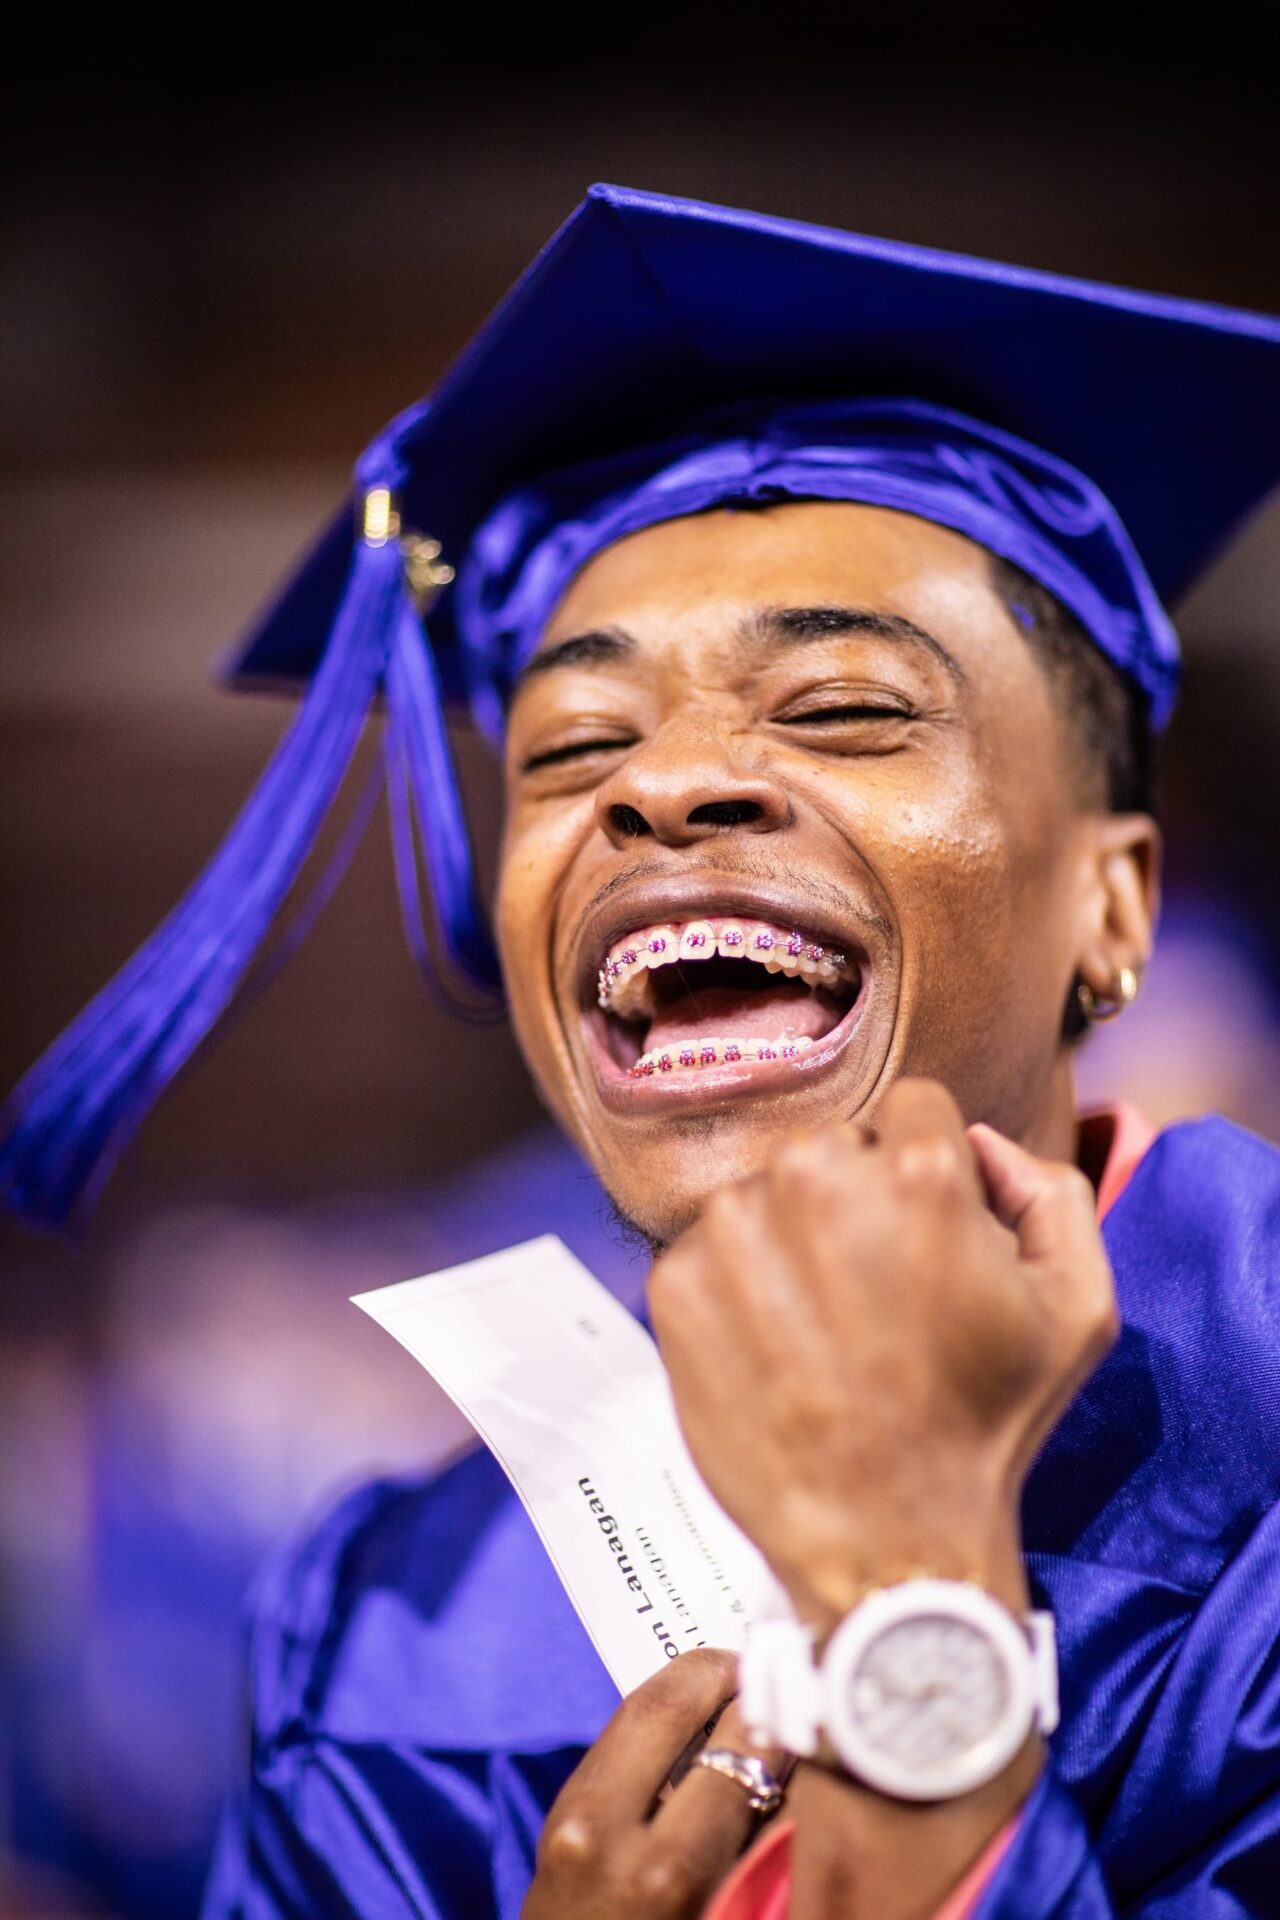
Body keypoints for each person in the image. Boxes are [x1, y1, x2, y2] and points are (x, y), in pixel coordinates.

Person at [5, 186, 1280, 1918]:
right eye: (569, 746)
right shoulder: (394, 1629)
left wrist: (913, 1623)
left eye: (843, 708)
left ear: (1113, 910)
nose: (656, 785)